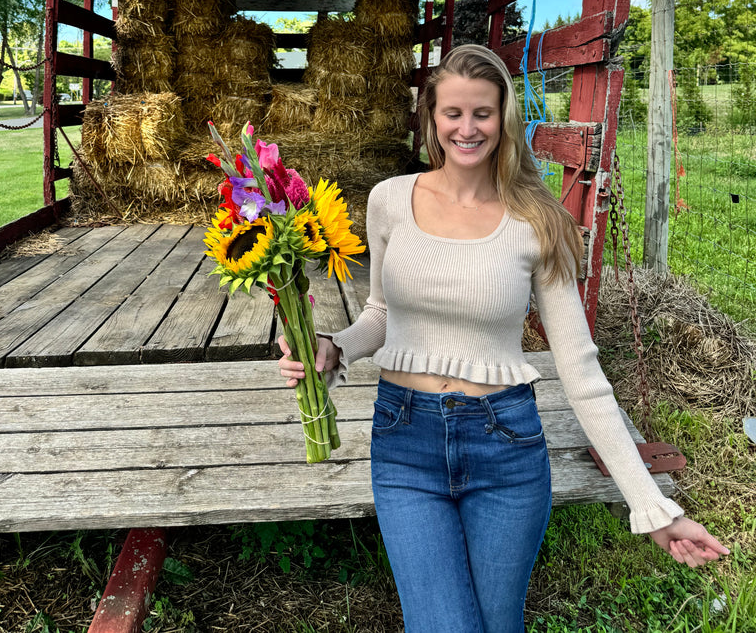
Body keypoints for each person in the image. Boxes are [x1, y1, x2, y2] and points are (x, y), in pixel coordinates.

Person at [278, 44, 728, 632]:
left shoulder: (537, 218)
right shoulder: (389, 199)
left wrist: (651, 505)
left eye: (482, 114)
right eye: (453, 113)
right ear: (432, 117)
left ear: (505, 118)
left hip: (505, 446)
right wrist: (335, 346)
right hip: (405, 441)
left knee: (498, 624)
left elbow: (582, 372)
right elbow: (382, 314)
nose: (467, 128)